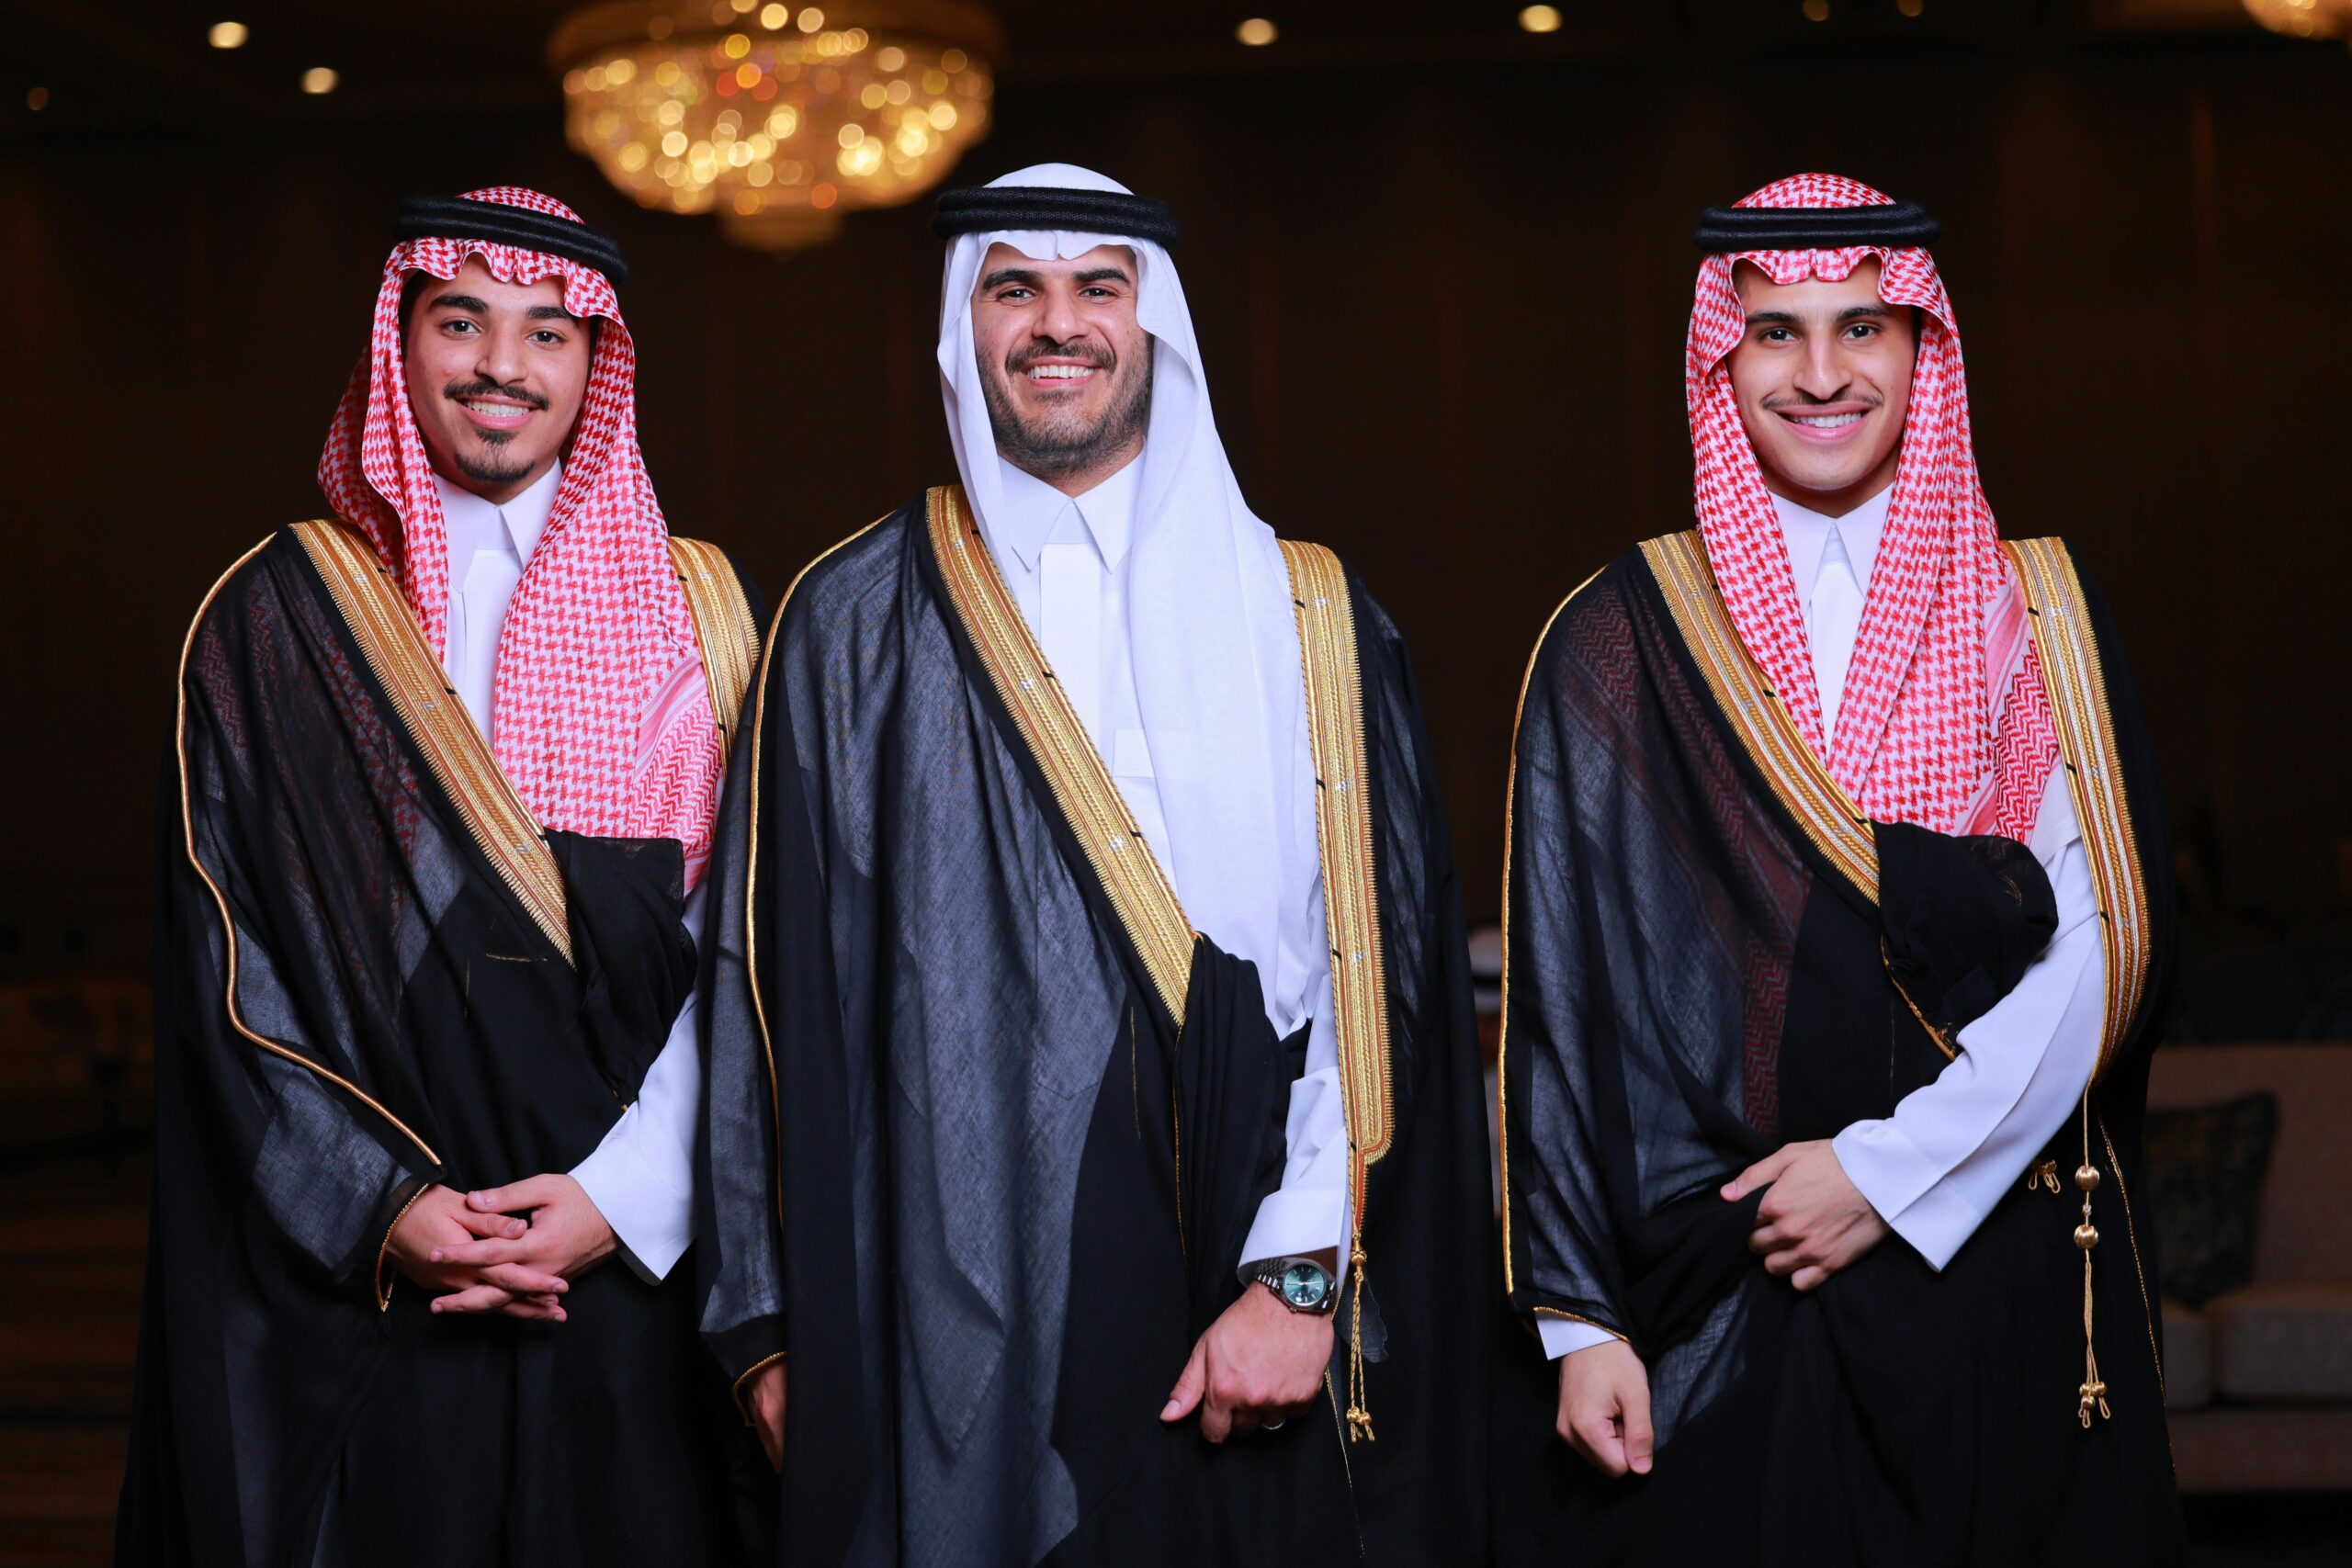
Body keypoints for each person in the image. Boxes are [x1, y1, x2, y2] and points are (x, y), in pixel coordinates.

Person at [696, 164, 1495, 1565]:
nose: (1056, 323)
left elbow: (1374, 981)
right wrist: (767, 1333)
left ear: (1154, 322)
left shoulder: (1309, 614)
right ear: (966, 323)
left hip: (1258, 1275)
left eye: (1096, 288)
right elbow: (762, 998)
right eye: (1015, 287)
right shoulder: (852, 621)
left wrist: (1301, 1279)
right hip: (950, 1302)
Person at [1493, 175, 2183, 1564]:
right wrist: (1580, 1322)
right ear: (1721, 358)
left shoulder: (2034, 607)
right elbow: (1569, 1004)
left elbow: (2100, 948)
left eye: (1862, 325)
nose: (1821, 374)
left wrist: (1886, 1171)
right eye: (1776, 332)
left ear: (1923, 345)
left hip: (1989, 1254)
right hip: (1721, 1280)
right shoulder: (1622, 635)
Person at [119, 188, 763, 1567]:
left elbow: (751, 951)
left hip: (633, 1270)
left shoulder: (701, 613)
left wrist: (625, 1197)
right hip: (376, 1282)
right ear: (399, 341)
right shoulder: (280, 616)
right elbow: (230, 968)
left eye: (548, 332)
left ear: (596, 365)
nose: (502, 366)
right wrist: (387, 1208)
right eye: (461, 322)